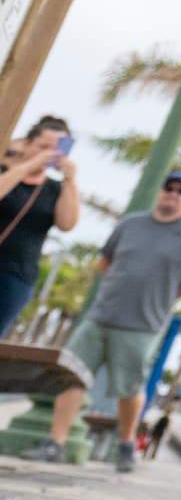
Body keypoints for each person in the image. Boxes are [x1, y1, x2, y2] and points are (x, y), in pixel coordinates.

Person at [33, 169, 181, 470]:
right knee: (71, 376)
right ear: (161, 190)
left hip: (143, 324)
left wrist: (167, 297)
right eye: (169, 187)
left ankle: (126, 444)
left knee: (129, 388)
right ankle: (55, 443)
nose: (173, 193)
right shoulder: (131, 224)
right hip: (101, 315)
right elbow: (105, 261)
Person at [0, 113, 86, 340]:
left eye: (57, 148)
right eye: (43, 146)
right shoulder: (5, 171)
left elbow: (67, 224)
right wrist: (26, 167)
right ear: (28, 144)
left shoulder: (54, 189)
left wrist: (70, 180)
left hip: (15, 274)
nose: (49, 153)